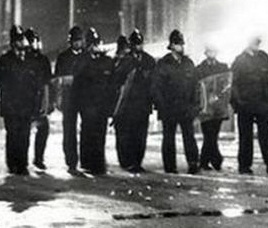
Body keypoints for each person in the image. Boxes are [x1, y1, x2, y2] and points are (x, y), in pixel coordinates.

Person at [0, 26, 38, 175]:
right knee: (13, 134)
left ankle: (22, 164)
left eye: (23, 40)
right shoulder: (5, 60)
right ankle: (13, 163)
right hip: (11, 105)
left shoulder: (30, 59)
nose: (22, 43)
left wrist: (37, 102)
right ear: (13, 42)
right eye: (19, 40)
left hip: (26, 104)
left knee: (25, 135)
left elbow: (36, 83)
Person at [230, 35, 268, 175]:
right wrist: (238, 103)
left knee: (265, 135)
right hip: (245, 104)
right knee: (246, 137)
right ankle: (244, 166)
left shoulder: (263, 58)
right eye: (255, 43)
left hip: (261, 103)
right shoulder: (239, 60)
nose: (257, 46)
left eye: (258, 43)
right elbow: (233, 84)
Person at [151, 30, 200, 175]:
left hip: (185, 107)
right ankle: (170, 166)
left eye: (182, 44)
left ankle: (193, 163)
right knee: (169, 138)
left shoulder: (188, 63)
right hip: (169, 108)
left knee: (189, 136)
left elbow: (195, 86)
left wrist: (194, 106)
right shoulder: (163, 64)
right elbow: (156, 87)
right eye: (178, 44)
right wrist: (162, 106)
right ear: (172, 45)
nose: (181, 47)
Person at [71, 27, 114, 175]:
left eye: (97, 43)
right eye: (93, 44)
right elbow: (77, 83)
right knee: (88, 133)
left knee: (100, 133)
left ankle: (99, 163)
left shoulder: (106, 61)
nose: (96, 46)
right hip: (87, 104)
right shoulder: (82, 61)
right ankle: (87, 162)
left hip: (101, 104)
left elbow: (111, 84)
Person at [112, 29, 155, 173]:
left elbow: (154, 82)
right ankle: (128, 161)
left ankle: (137, 161)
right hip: (128, 105)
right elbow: (117, 80)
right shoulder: (125, 61)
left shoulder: (149, 60)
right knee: (128, 134)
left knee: (141, 136)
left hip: (143, 104)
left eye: (140, 44)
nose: (138, 47)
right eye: (136, 44)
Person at [54, 26, 85, 173]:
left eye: (80, 40)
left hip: (85, 98)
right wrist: (58, 99)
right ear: (70, 42)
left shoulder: (86, 56)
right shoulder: (63, 57)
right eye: (75, 41)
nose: (78, 43)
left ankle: (85, 160)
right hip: (69, 99)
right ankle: (71, 161)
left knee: (86, 130)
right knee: (69, 131)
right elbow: (58, 80)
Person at [195, 45, 229, 171]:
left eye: (214, 51)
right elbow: (197, 87)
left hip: (218, 107)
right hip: (205, 107)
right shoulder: (199, 69)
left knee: (213, 134)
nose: (212, 53)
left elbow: (226, 85)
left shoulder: (223, 67)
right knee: (208, 134)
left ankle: (206, 160)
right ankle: (215, 159)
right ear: (206, 53)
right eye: (210, 51)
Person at [24, 28, 53, 171]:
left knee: (43, 129)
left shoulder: (43, 59)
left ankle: (38, 158)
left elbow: (49, 81)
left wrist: (50, 101)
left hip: (39, 98)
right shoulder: (22, 59)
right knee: (24, 132)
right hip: (26, 100)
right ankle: (25, 159)